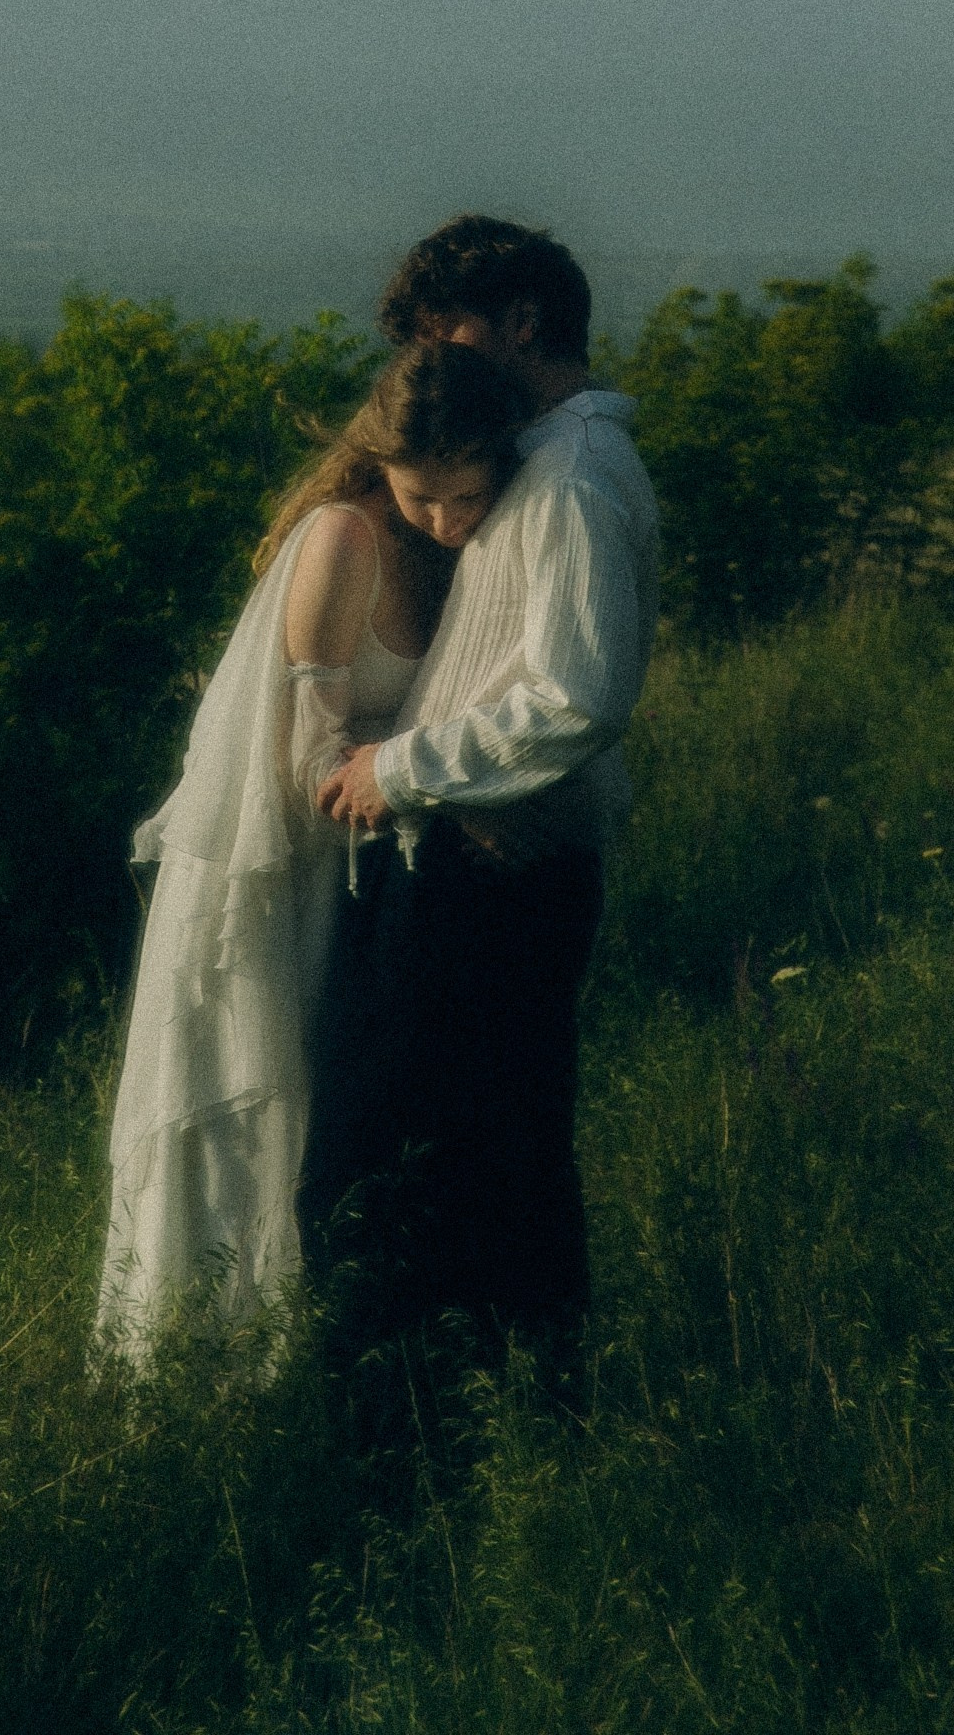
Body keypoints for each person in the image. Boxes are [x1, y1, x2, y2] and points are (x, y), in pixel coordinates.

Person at [96, 340, 525, 1356]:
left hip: (359, 877)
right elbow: (309, 761)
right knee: (250, 1106)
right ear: (382, 467)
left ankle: (309, 1342)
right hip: (272, 876)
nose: (447, 521)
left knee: (333, 1119)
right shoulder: (344, 540)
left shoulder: (467, 548)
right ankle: (198, 1355)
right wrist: (419, 774)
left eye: (466, 497)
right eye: (423, 499)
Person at [305, 216, 659, 1371]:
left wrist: (398, 769)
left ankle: (424, 1421)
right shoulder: (533, 465)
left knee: (417, 1166)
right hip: (470, 862)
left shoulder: (572, 479)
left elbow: (575, 698)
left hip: (491, 874)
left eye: (444, 334)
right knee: (469, 1166)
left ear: (521, 323)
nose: (430, 365)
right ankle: (484, 1407)